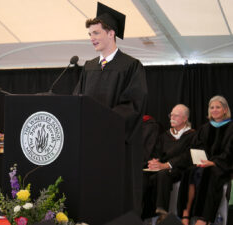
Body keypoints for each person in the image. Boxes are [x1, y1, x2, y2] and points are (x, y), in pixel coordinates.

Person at [73, 2, 148, 214]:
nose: (92, 38)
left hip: (116, 144)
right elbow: (78, 100)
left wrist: (103, 124)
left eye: (96, 33)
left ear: (111, 33)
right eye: (89, 34)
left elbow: (134, 104)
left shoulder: (131, 66)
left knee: (116, 198)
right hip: (90, 144)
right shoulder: (89, 67)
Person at [178, 96, 233, 225]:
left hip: (221, 165)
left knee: (210, 173)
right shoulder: (205, 128)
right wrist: (200, 159)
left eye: (218, 107)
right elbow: (196, 146)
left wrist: (213, 162)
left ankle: (204, 218)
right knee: (188, 172)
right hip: (204, 163)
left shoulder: (231, 128)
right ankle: (186, 213)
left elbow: (230, 152)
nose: (214, 110)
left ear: (225, 110)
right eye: (212, 107)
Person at [142, 104, 195, 222]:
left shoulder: (192, 135)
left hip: (180, 169)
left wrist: (167, 164)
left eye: (176, 116)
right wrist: (154, 161)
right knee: (143, 175)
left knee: (163, 174)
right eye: (171, 115)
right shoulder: (164, 136)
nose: (171, 118)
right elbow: (156, 152)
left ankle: (162, 214)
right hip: (162, 168)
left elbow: (187, 156)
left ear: (185, 119)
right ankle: (143, 215)